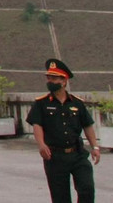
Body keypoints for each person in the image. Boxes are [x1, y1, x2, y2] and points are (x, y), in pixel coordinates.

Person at [26, 58, 101, 203]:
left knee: (87, 189)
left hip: (77, 154)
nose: (50, 81)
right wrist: (41, 144)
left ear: (64, 80)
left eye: (54, 78)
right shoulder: (42, 103)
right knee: (60, 197)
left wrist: (95, 147)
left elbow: (87, 125)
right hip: (55, 157)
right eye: (48, 78)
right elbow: (37, 125)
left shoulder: (76, 103)